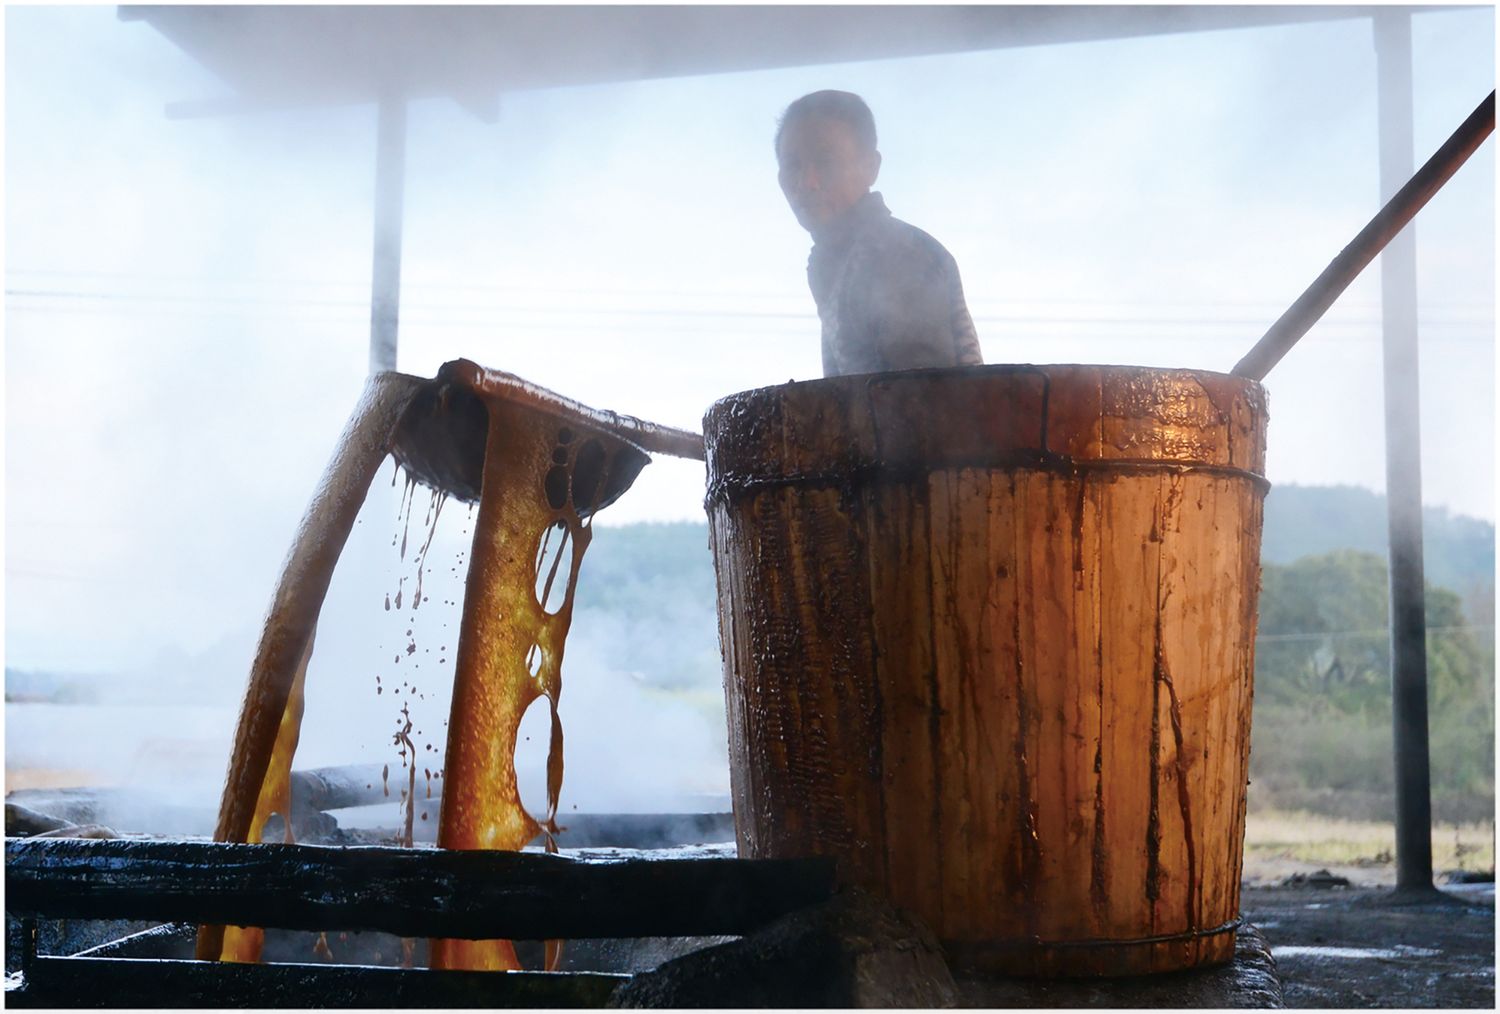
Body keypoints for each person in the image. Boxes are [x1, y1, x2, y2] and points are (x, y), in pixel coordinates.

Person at [775, 90, 983, 378]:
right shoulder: (834, 259)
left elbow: (924, 406)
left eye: (825, 161)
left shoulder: (900, 255)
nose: (807, 182)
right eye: (792, 166)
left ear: (870, 167)